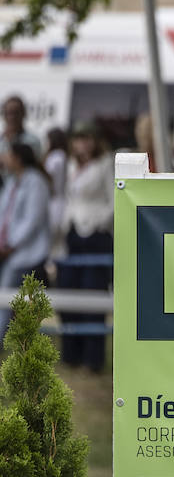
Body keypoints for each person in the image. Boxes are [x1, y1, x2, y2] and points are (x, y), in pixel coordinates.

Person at [55, 123, 115, 371]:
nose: (83, 143)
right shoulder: (70, 164)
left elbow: (115, 199)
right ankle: (71, 355)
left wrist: (100, 222)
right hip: (72, 233)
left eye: (88, 138)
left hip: (96, 234)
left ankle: (93, 359)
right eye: (79, 138)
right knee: (68, 293)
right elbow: (66, 197)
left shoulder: (104, 164)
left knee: (93, 294)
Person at [0, 142, 53, 337]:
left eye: (8, 154)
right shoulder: (13, 181)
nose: (4, 158)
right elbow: (4, 215)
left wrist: (10, 245)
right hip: (9, 251)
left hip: (25, 253)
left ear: (18, 158)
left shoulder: (36, 182)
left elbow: (32, 220)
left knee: (6, 297)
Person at [1, 95, 43, 187]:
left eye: (16, 113)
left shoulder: (32, 141)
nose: (12, 117)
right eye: (9, 113)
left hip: (22, 192)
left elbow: (32, 168)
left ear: (23, 114)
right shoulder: (1, 140)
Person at [44, 127, 69, 238]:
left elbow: (50, 177)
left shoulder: (55, 157)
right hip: (61, 199)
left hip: (55, 199)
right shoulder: (63, 155)